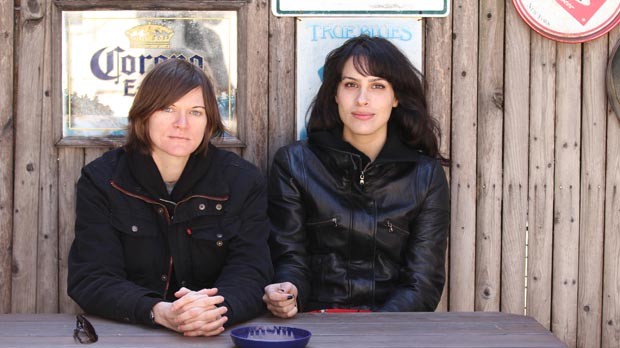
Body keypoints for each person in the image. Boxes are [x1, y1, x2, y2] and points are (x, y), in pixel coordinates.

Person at [68, 58, 273, 336]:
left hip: (217, 333)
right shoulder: (104, 180)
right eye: (168, 108)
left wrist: (215, 310)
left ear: (209, 121)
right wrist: (158, 311)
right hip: (129, 334)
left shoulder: (242, 181)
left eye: (196, 112)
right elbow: (92, 276)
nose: (182, 123)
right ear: (144, 114)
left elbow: (251, 269)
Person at [263, 35, 450, 318]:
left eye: (377, 86)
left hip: (393, 330)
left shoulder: (426, 176)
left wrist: (373, 332)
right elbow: (290, 257)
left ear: (396, 97)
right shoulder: (294, 164)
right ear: (335, 94)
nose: (362, 99)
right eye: (351, 85)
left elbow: (422, 282)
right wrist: (288, 293)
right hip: (315, 324)